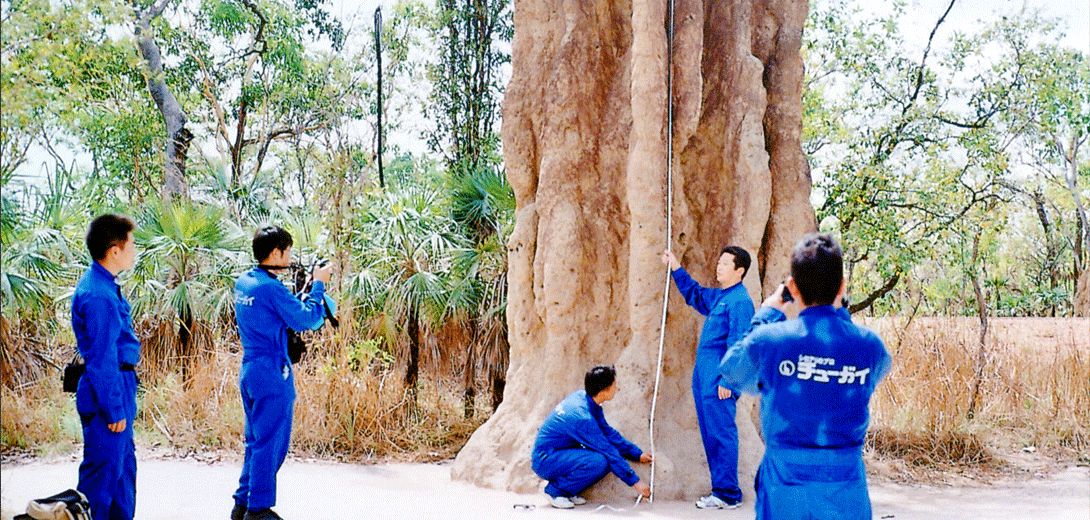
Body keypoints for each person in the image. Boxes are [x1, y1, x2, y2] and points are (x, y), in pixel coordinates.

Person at [719, 233, 892, 519]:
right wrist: (840, 318)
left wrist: (767, 313)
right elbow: (875, 374)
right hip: (845, 485)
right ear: (842, 287)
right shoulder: (870, 346)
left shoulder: (772, 342)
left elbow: (733, 371)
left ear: (792, 288)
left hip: (785, 486)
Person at [231, 226, 332, 520]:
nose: (289, 256)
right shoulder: (270, 288)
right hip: (272, 372)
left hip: (250, 369)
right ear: (275, 253)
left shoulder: (246, 282)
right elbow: (307, 319)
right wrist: (318, 286)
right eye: (287, 251)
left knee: (255, 441)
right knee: (271, 442)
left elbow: (276, 312)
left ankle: (242, 504)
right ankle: (258, 509)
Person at [660, 246, 754, 509]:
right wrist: (676, 268)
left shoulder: (740, 301)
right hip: (705, 379)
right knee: (711, 434)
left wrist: (729, 381)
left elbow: (740, 344)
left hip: (719, 382)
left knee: (722, 434)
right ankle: (720, 490)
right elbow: (696, 295)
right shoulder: (721, 297)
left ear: (740, 271)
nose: (719, 266)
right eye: (719, 261)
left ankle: (728, 494)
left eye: (725, 263)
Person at [72, 214, 141, 520]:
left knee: (123, 473)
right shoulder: (98, 295)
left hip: (119, 385)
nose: (134, 251)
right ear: (115, 250)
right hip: (108, 391)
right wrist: (113, 409)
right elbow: (102, 359)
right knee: (102, 479)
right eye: (132, 245)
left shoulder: (105, 285)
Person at [531, 365, 654, 509]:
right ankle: (555, 491)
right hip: (545, 460)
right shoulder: (582, 418)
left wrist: (636, 454)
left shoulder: (583, 398)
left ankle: (567, 490)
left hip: (557, 453)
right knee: (599, 461)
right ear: (604, 390)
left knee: (600, 459)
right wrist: (636, 482)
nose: (617, 388)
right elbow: (607, 449)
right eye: (614, 385)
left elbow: (607, 432)